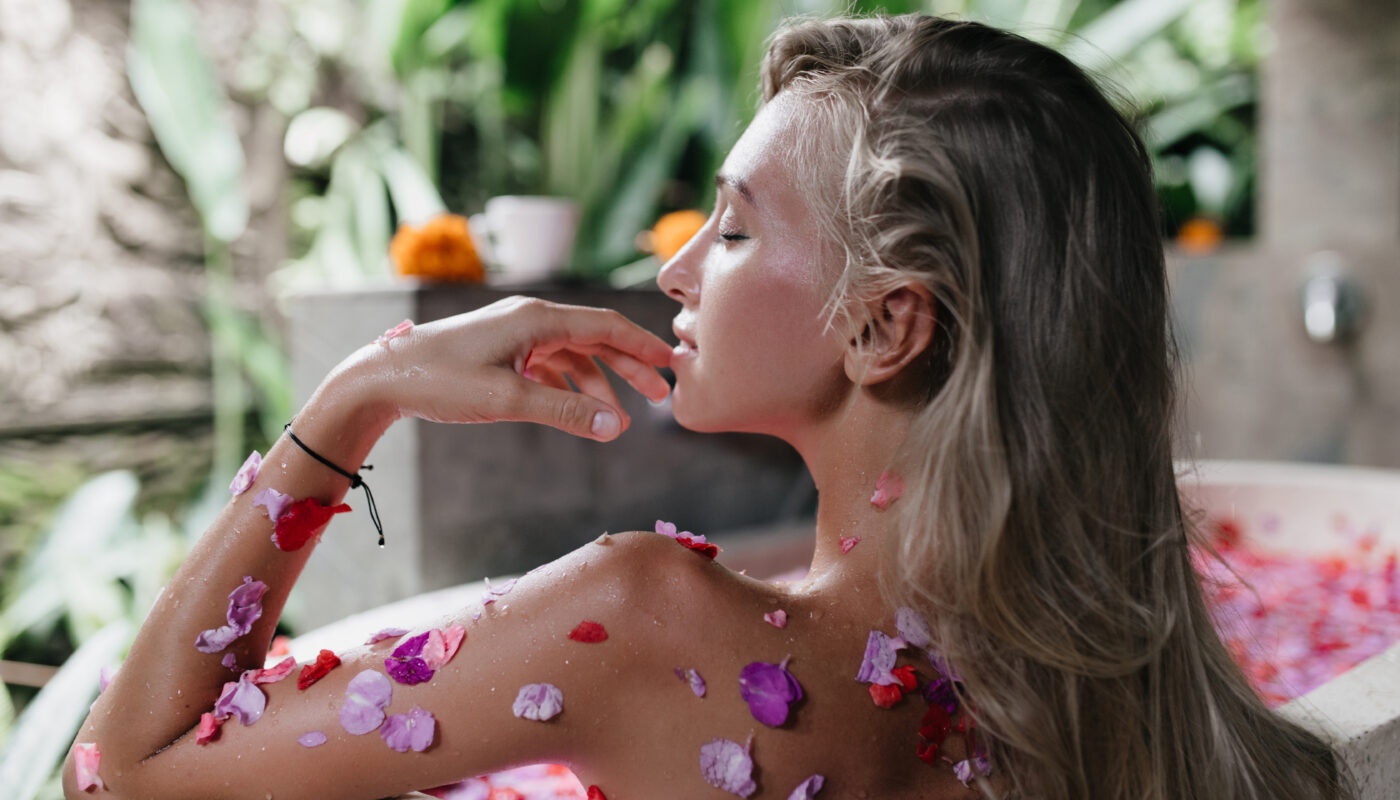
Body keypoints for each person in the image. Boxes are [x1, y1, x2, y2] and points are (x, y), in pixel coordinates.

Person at [65, 14, 1350, 800]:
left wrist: (355, 395)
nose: (675, 270)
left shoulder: (635, 620)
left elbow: (122, 772)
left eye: (731, 230)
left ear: (885, 322)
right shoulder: (1138, 691)